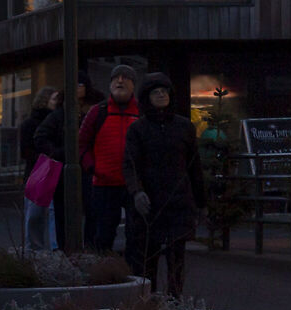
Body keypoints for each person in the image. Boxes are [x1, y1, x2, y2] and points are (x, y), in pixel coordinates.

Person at [123, 74, 206, 296]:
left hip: (179, 199)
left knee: (176, 257)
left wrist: (201, 201)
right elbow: (130, 164)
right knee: (147, 257)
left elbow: (194, 165)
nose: (161, 94)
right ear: (146, 98)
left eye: (164, 90)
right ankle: (147, 303)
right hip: (150, 200)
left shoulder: (184, 127)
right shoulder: (138, 129)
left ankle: (175, 301)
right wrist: (137, 192)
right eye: (155, 91)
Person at [78, 65, 142, 258]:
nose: (120, 81)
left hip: (134, 186)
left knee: (136, 236)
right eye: (116, 78)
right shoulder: (98, 112)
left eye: (125, 78)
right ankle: (102, 275)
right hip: (104, 184)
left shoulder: (141, 112)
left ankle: (135, 277)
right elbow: (81, 144)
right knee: (103, 236)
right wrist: (92, 167)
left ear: (133, 85)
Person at [19, 86, 65, 249]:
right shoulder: (31, 124)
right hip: (38, 172)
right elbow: (25, 151)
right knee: (35, 214)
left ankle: (53, 248)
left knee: (53, 213)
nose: (57, 103)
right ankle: (35, 249)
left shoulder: (58, 121)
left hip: (48, 170)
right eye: (54, 99)